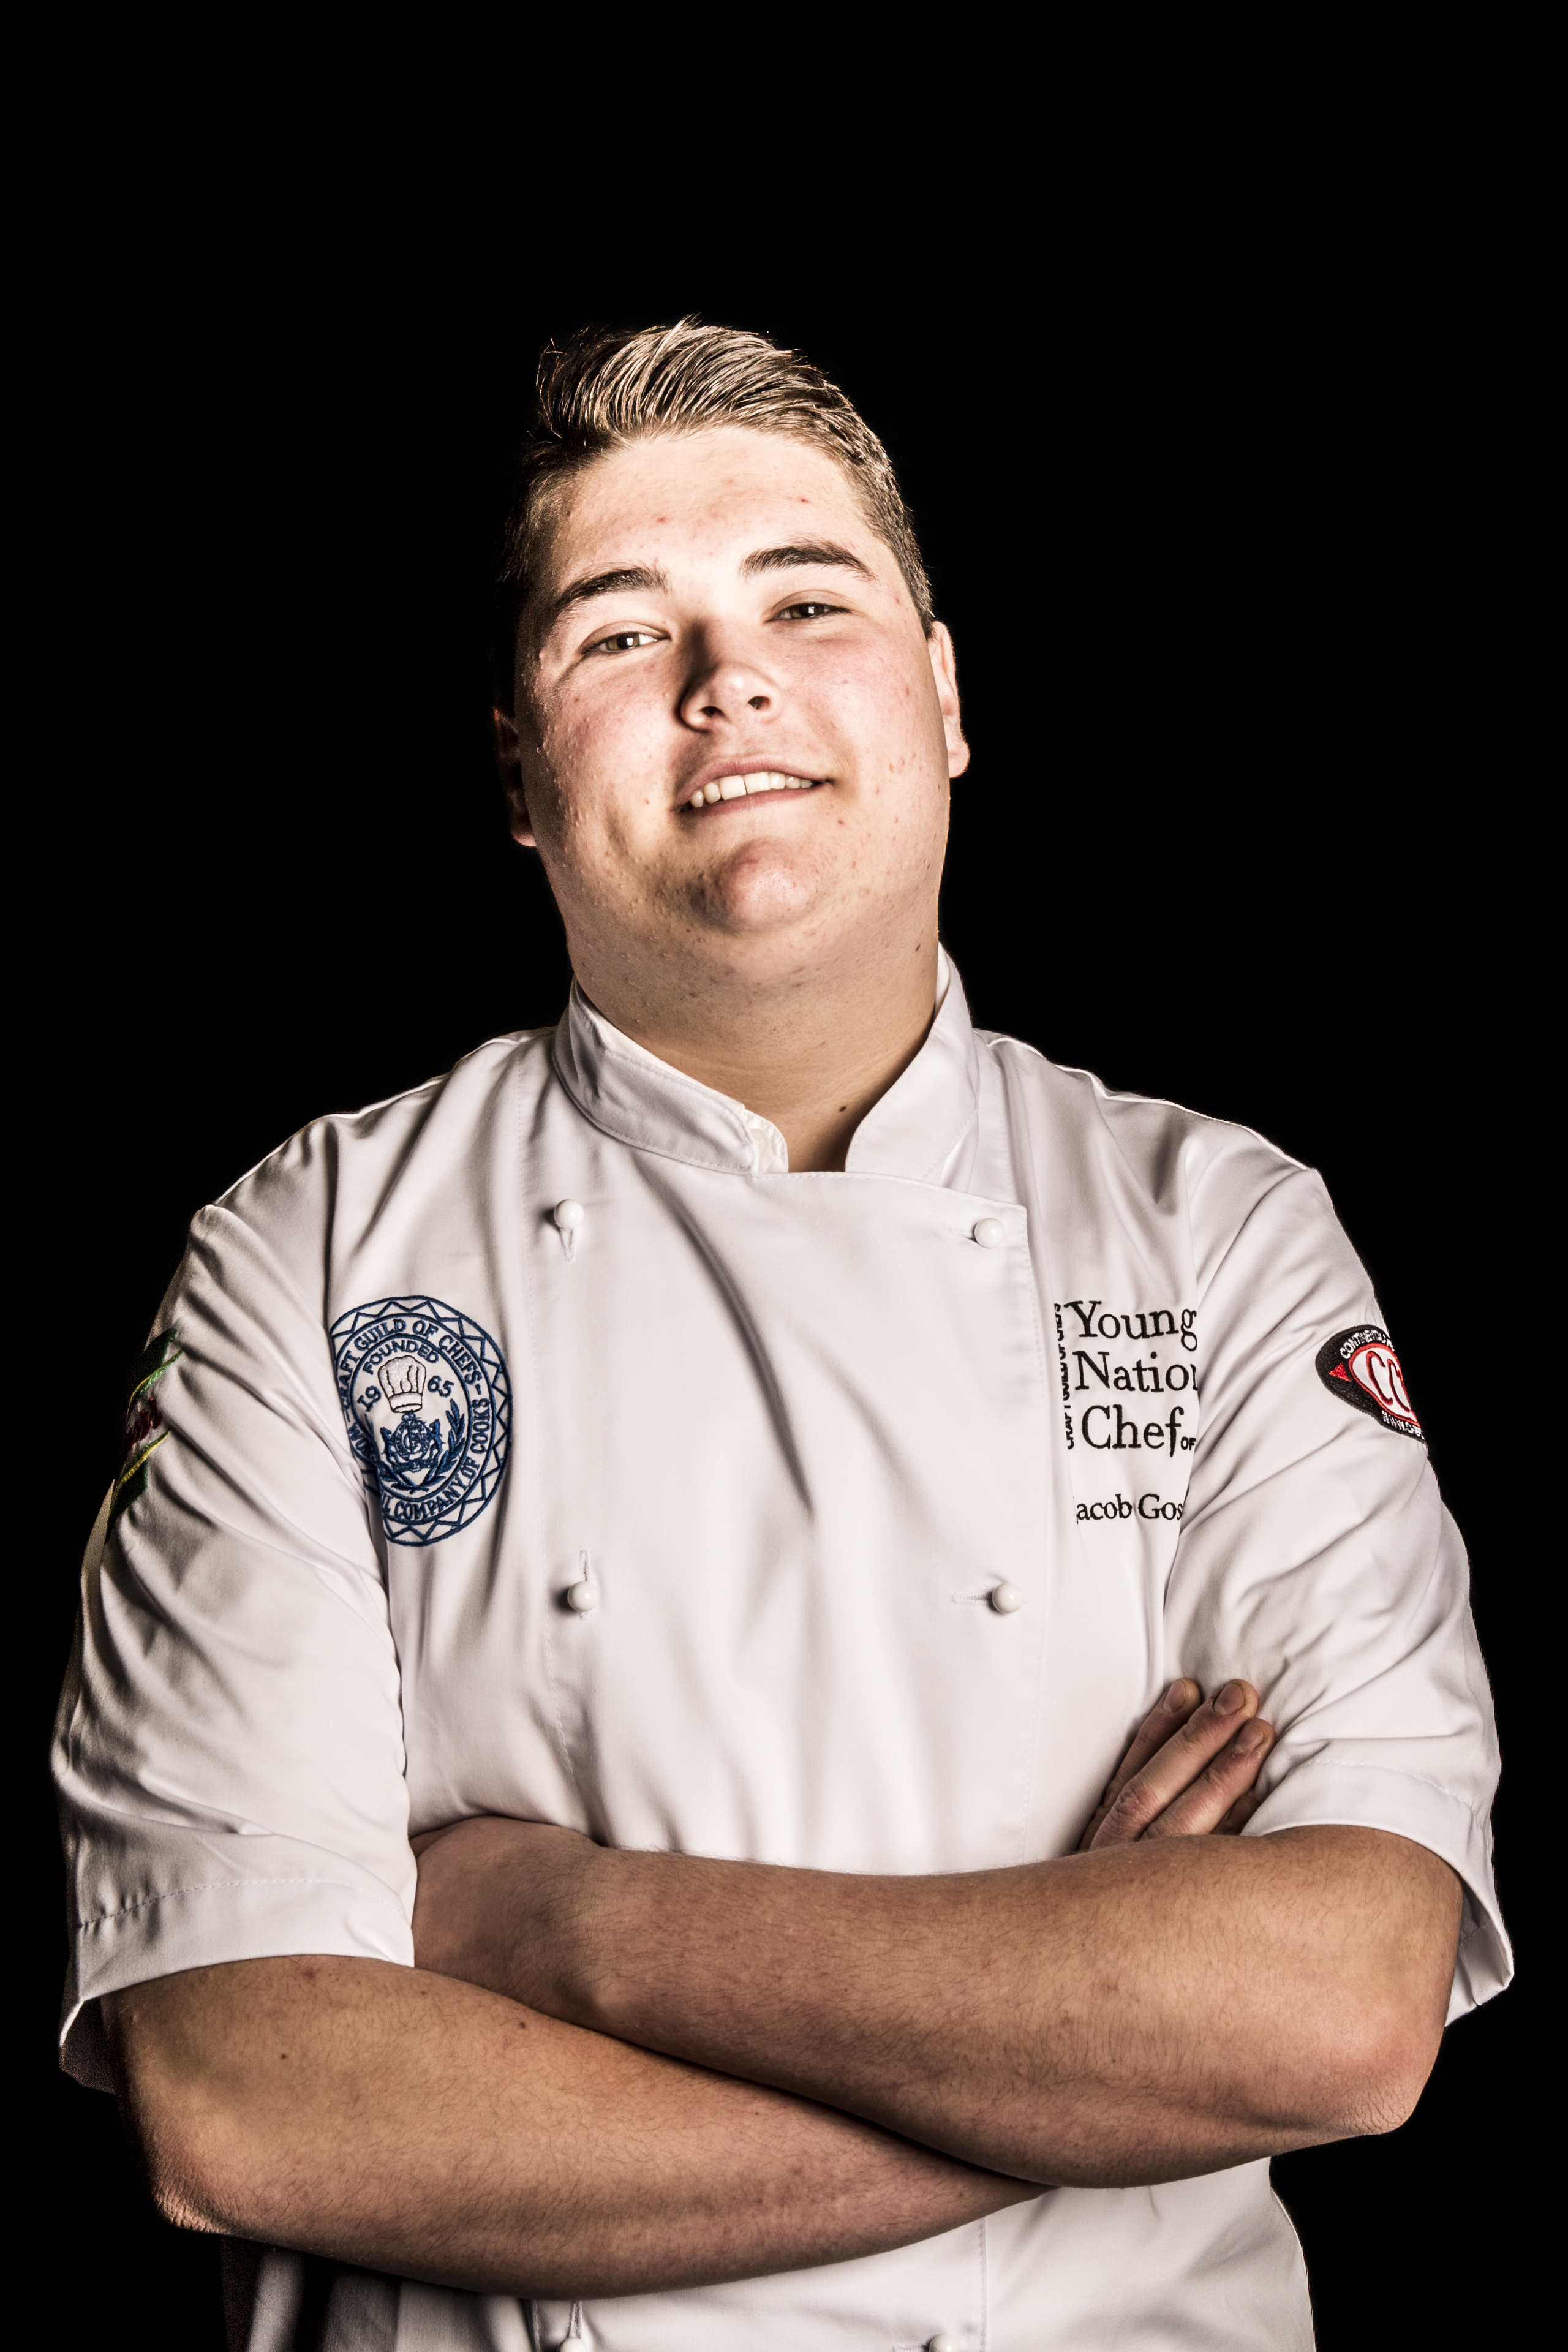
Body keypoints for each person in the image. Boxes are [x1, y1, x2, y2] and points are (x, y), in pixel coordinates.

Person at [54, 320, 1510, 2352]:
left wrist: (565, 1927)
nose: (726, 679)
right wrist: (1105, 2073)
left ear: (946, 696)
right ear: (516, 773)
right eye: (621, 632)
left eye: (806, 602)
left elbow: (1338, 2007)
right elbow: (250, 2101)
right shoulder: (307, 1254)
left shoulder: (1222, 1235)